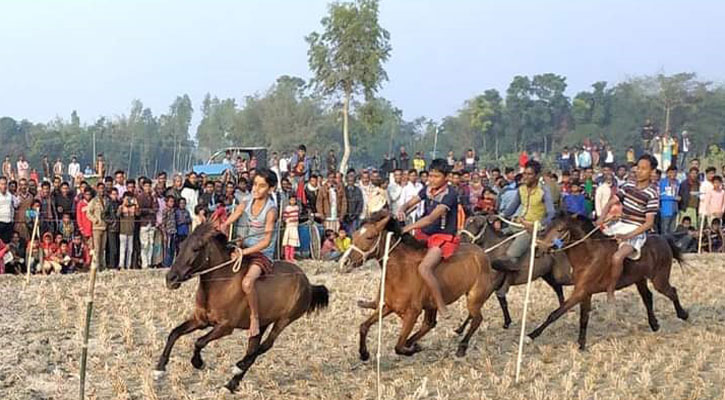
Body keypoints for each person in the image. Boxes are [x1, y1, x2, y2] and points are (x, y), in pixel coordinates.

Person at [395, 159, 459, 316]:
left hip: (442, 237)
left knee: (424, 268)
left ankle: (440, 304)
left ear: (446, 177)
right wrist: (402, 208)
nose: (431, 179)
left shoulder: (450, 194)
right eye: (430, 176)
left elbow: (431, 218)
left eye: (436, 176)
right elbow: (411, 202)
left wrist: (408, 227)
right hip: (424, 233)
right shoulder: (427, 189)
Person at [220, 168, 279, 338]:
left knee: (247, 283)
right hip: (244, 244)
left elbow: (266, 241)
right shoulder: (247, 199)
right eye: (255, 184)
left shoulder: (271, 210)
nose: (256, 189)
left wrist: (243, 252)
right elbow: (236, 213)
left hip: (261, 252)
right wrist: (224, 225)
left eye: (261, 186)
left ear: (270, 188)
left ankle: (254, 317)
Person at [597, 154, 659, 302]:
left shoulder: (652, 193)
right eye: (638, 168)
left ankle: (611, 289)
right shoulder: (628, 185)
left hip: (636, 230)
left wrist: (627, 236)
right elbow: (611, 202)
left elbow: (648, 223)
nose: (639, 171)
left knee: (618, 257)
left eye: (644, 169)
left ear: (652, 172)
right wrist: (601, 218)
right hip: (619, 224)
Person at [500, 160, 556, 265]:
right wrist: (498, 217)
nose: (525, 177)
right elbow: (510, 210)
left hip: (532, 230)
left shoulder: (544, 191)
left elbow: (551, 214)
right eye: (524, 173)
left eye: (529, 174)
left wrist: (537, 225)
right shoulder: (521, 189)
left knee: (511, 255)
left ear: (537, 176)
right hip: (516, 225)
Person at [86, 184, 107, 270]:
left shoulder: (106, 200)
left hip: (105, 227)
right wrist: (95, 220)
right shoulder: (94, 201)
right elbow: (88, 213)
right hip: (96, 228)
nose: (101, 190)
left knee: (103, 248)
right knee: (97, 248)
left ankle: (102, 265)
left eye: (103, 188)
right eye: (100, 189)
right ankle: (96, 266)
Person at [659, 166, 680, 234]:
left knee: (672, 230)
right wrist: (673, 198)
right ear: (667, 173)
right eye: (671, 172)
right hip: (666, 209)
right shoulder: (663, 182)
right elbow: (660, 196)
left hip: (674, 209)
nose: (673, 174)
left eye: (675, 172)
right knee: (665, 229)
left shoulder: (677, 182)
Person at [343, 171, 363, 235]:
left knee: (353, 233)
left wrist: (355, 214)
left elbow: (360, 203)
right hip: (345, 217)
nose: (350, 182)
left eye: (352, 181)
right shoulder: (343, 190)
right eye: (349, 181)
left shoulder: (358, 190)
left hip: (355, 217)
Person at [161, 196, 177, 268]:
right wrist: (164, 234)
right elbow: (163, 223)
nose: (172, 203)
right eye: (170, 201)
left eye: (173, 202)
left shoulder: (174, 211)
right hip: (168, 232)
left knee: (173, 248)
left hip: (173, 231)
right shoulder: (165, 211)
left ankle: (171, 263)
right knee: (167, 249)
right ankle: (166, 264)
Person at [0, 177, 17, 244]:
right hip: (0, 221)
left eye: (5, 184)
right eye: (2, 184)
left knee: (6, 243)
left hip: (8, 222)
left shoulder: (10, 195)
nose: (4, 186)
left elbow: (16, 205)